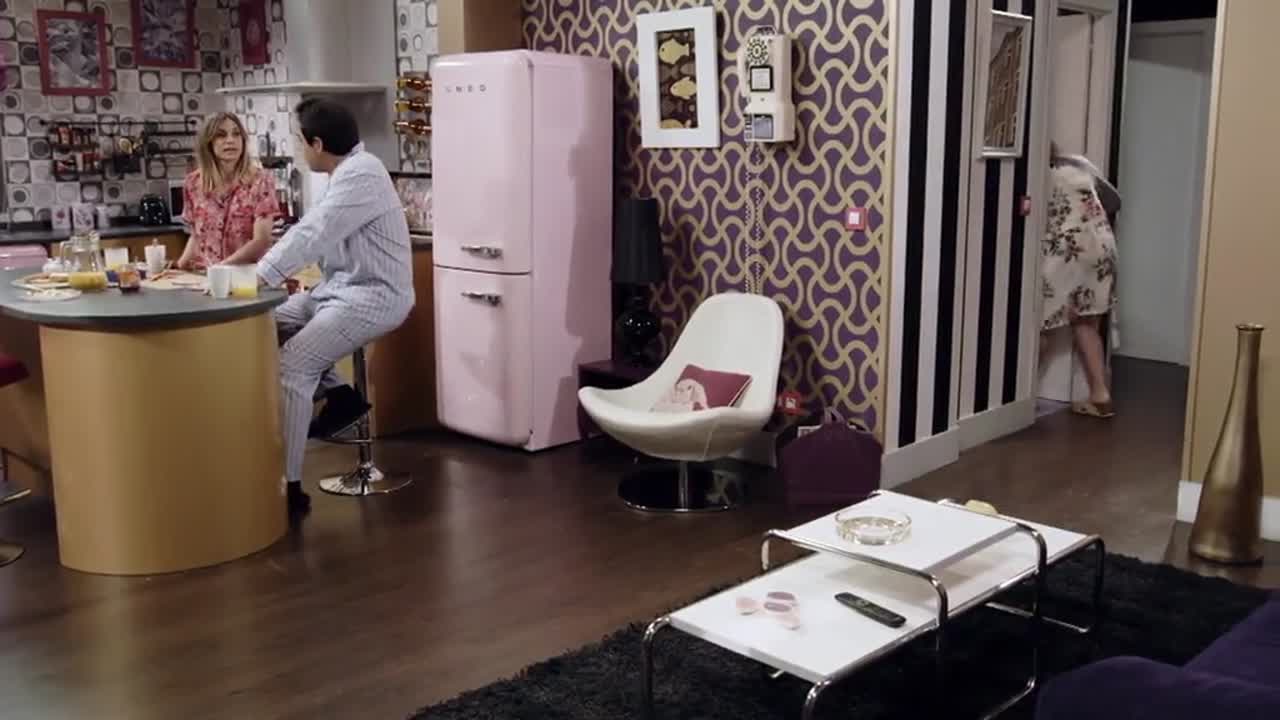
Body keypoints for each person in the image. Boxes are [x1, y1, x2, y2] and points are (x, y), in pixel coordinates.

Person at [256, 98, 414, 514]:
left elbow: (314, 232)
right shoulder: (345, 174)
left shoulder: (363, 173)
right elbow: (318, 235)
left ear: (318, 143)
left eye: (298, 141)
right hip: (338, 292)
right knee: (263, 322)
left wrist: (261, 275)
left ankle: (289, 490)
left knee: (293, 365)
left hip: (374, 296)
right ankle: (341, 394)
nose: (297, 149)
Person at [1042, 141, 1120, 418]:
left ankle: (1014, 397)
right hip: (1102, 245)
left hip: (1068, 247)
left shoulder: (1039, 174)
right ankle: (1100, 395)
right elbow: (1115, 201)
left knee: (1039, 322)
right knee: (1087, 320)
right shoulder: (1079, 163)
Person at [177, 112, 279, 269]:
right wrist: (180, 265)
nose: (230, 140)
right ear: (208, 143)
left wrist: (221, 268)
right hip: (208, 277)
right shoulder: (193, 183)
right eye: (221, 135)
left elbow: (261, 240)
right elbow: (197, 236)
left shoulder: (261, 181)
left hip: (248, 276)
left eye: (236, 134)